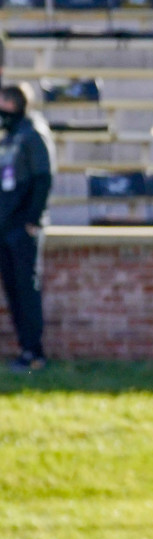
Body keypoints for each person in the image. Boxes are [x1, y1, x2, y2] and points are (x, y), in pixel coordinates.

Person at [0, 83, 53, 373]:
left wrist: (32, 221)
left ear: (15, 104)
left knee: (25, 290)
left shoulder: (33, 134)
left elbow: (43, 178)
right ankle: (24, 350)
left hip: (22, 229)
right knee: (13, 290)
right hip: (5, 228)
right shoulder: (10, 138)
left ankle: (34, 353)